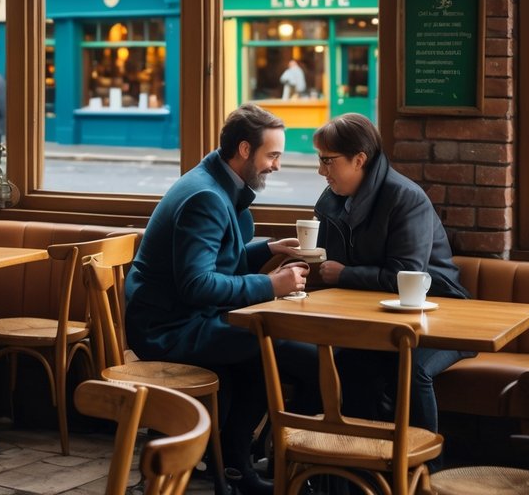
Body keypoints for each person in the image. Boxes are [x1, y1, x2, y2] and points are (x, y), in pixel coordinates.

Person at [125, 104, 317, 495]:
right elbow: (197, 284)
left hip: (181, 317)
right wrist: (271, 286)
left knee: (274, 348)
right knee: (284, 349)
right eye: (272, 155)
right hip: (168, 329)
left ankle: (233, 459)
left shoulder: (212, 180)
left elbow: (214, 262)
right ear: (244, 150)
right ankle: (246, 463)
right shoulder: (206, 197)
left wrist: (266, 250)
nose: (277, 166)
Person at [311, 113, 471, 441]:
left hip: (441, 313)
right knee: (346, 364)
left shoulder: (404, 198)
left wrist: (346, 275)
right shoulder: (331, 202)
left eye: (328, 161)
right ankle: (357, 466)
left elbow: (407, 273)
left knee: (410, 366)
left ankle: (423, 473)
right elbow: (325, 262)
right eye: (319, 160)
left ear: (359, 159)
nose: (320, 171)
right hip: (378, 317)